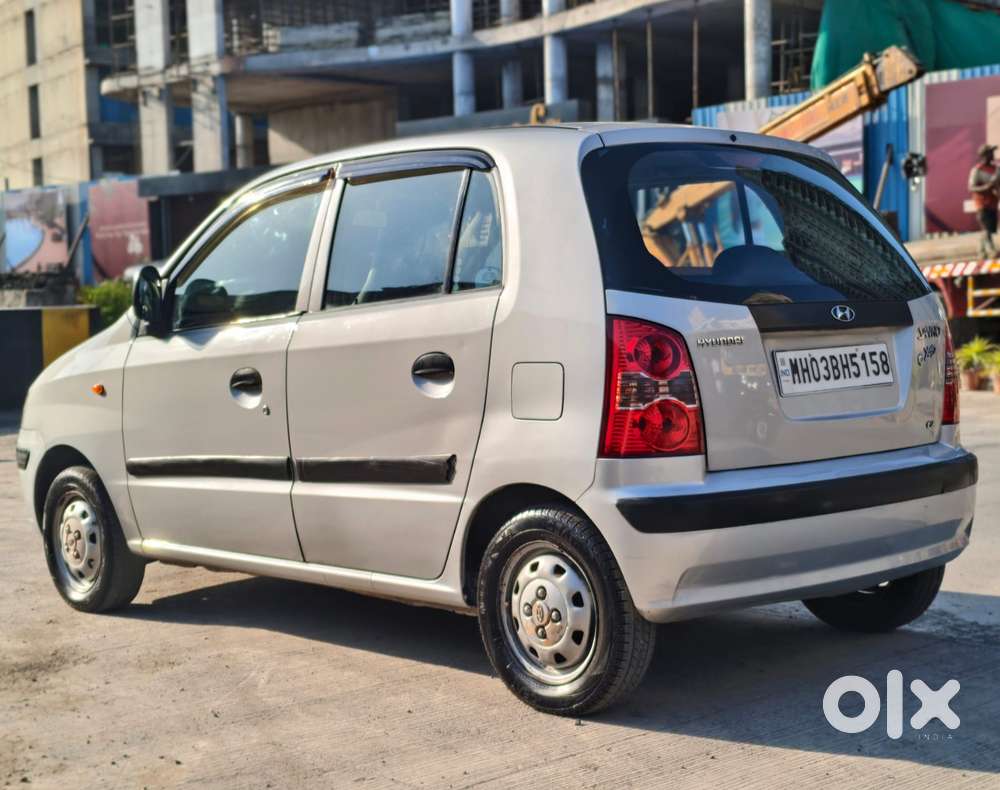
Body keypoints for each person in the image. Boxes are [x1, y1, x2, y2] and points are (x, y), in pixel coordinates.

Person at [969, 143, 999, 258]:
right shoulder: (977, 170)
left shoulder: (996, 169)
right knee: (986, 227)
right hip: (982, 204)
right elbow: (971, 187)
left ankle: (981, 252)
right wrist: (986, 187)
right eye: (991, 153)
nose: (993, 155)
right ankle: (991, 250)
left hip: (993, 204)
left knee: (989, 229)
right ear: (984, 155)